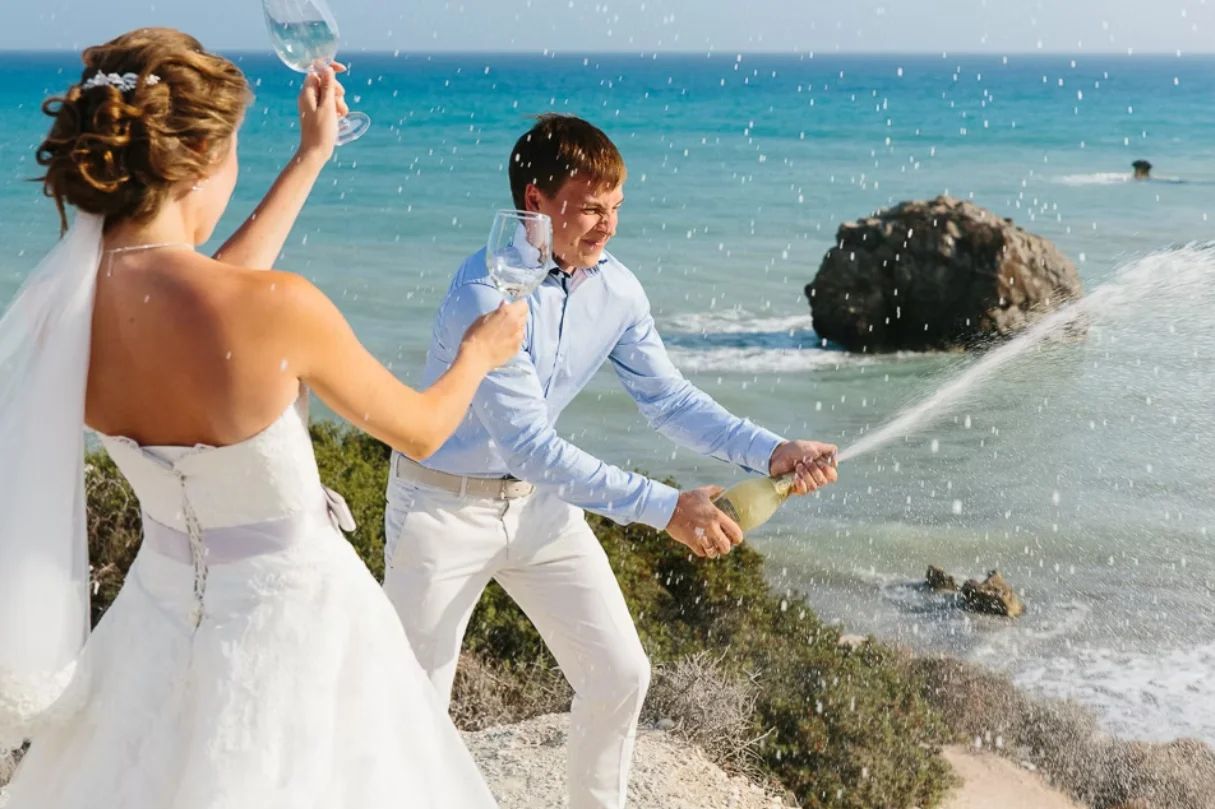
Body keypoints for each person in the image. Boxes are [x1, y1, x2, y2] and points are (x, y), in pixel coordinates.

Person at [0, 28, 527, 808]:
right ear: (203, 160)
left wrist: (309, 157)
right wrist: (479, 355)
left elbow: (205, 290)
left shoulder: (63, 316)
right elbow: (420, 430)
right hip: (298, 627)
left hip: (155, 617)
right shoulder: (276, 310)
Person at [382, 113, 840, 809]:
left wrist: (771, 449)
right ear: (534, 202)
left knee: (619, 671)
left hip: (536, 510)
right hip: (441, 509)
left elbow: (667, 399)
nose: (608, 226)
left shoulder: (617, 288)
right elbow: (528, 445)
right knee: (413, 708)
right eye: (591, 207)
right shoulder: (485, 291)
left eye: (616, 207)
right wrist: (664, 509)